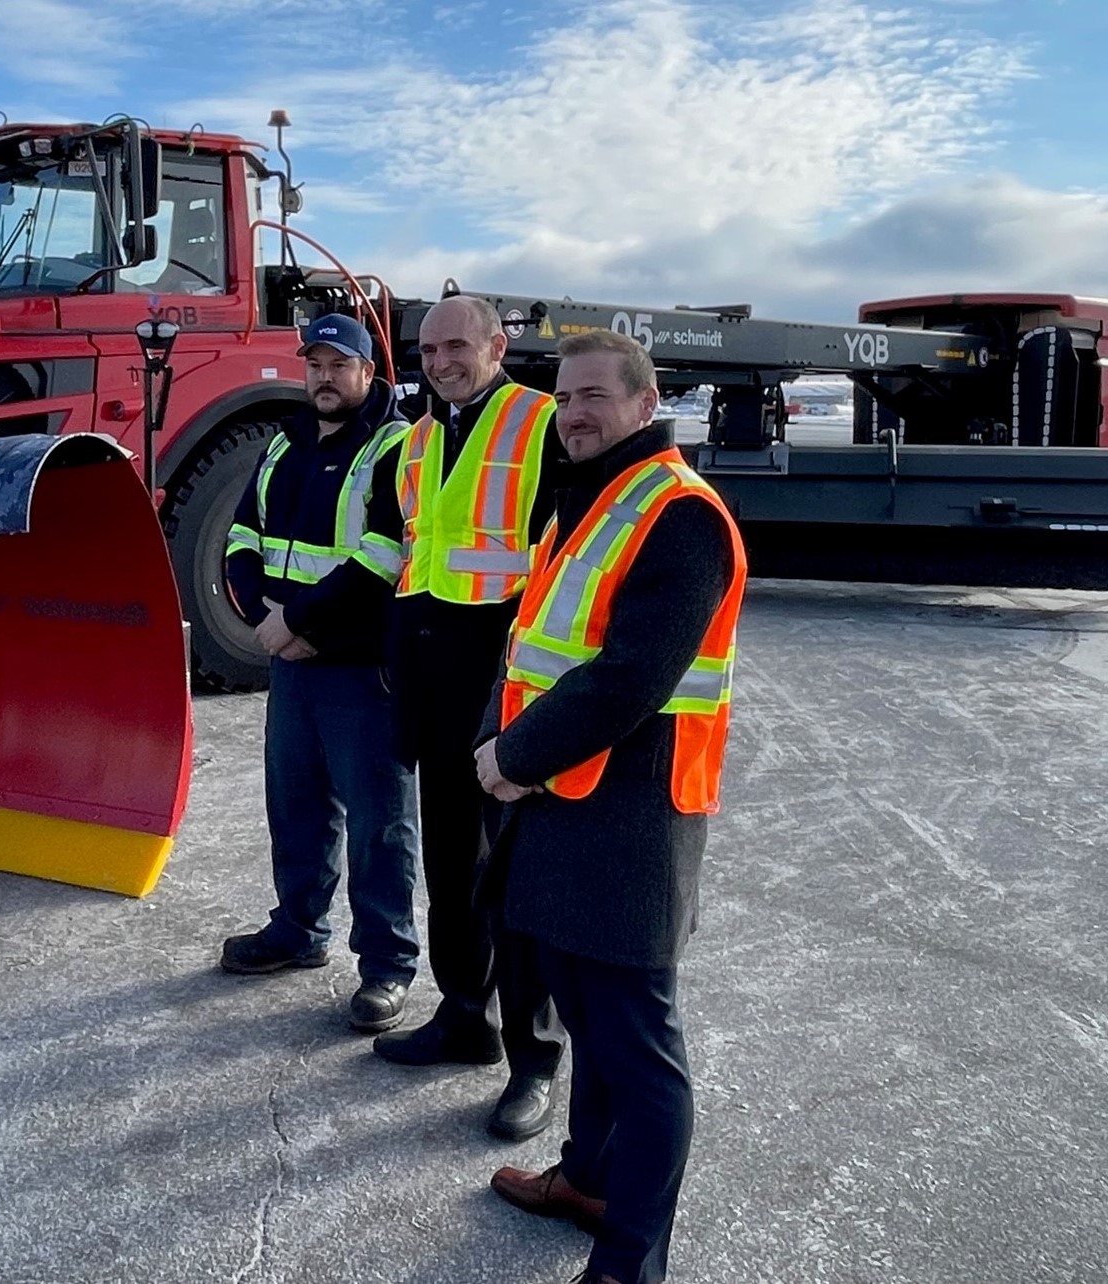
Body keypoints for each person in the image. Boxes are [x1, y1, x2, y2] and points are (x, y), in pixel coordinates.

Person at [475, 328, 747, 1284]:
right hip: (562, 806)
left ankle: (630, 1262)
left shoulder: (680, 513)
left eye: (595, 395)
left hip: (633, 820)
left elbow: (633, 675)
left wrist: (511, 758)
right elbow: (540, 648)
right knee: (588, 1017)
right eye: (565, 397)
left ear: (645, 399)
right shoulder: (592, 500)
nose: (576, 412)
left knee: (637, 1045)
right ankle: (586, 1180)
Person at [365, 294, 570, 1141]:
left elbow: (570, 557)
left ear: (498, 345)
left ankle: (535, 1064)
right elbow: (403, 555)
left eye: (456, 345)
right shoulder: (415, 440)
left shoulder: (544, 425)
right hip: (433, 677)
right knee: (452, 866)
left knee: (518, 881)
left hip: (510, 679)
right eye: (427, 347)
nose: (439, 358)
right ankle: (463, 1016)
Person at [219, 313, 423, 1035]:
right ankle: (298, 932)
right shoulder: (285, 442)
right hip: (292, 666)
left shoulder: (397, 446)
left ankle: (387, 967)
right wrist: (262, 623)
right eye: (315, 364)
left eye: (341, 364)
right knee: (296, 808)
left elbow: (382, 557)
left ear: (370, 372)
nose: (325, 377)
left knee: (379, 824)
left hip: (361, 670)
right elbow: (241, 538)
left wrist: (297, 624)